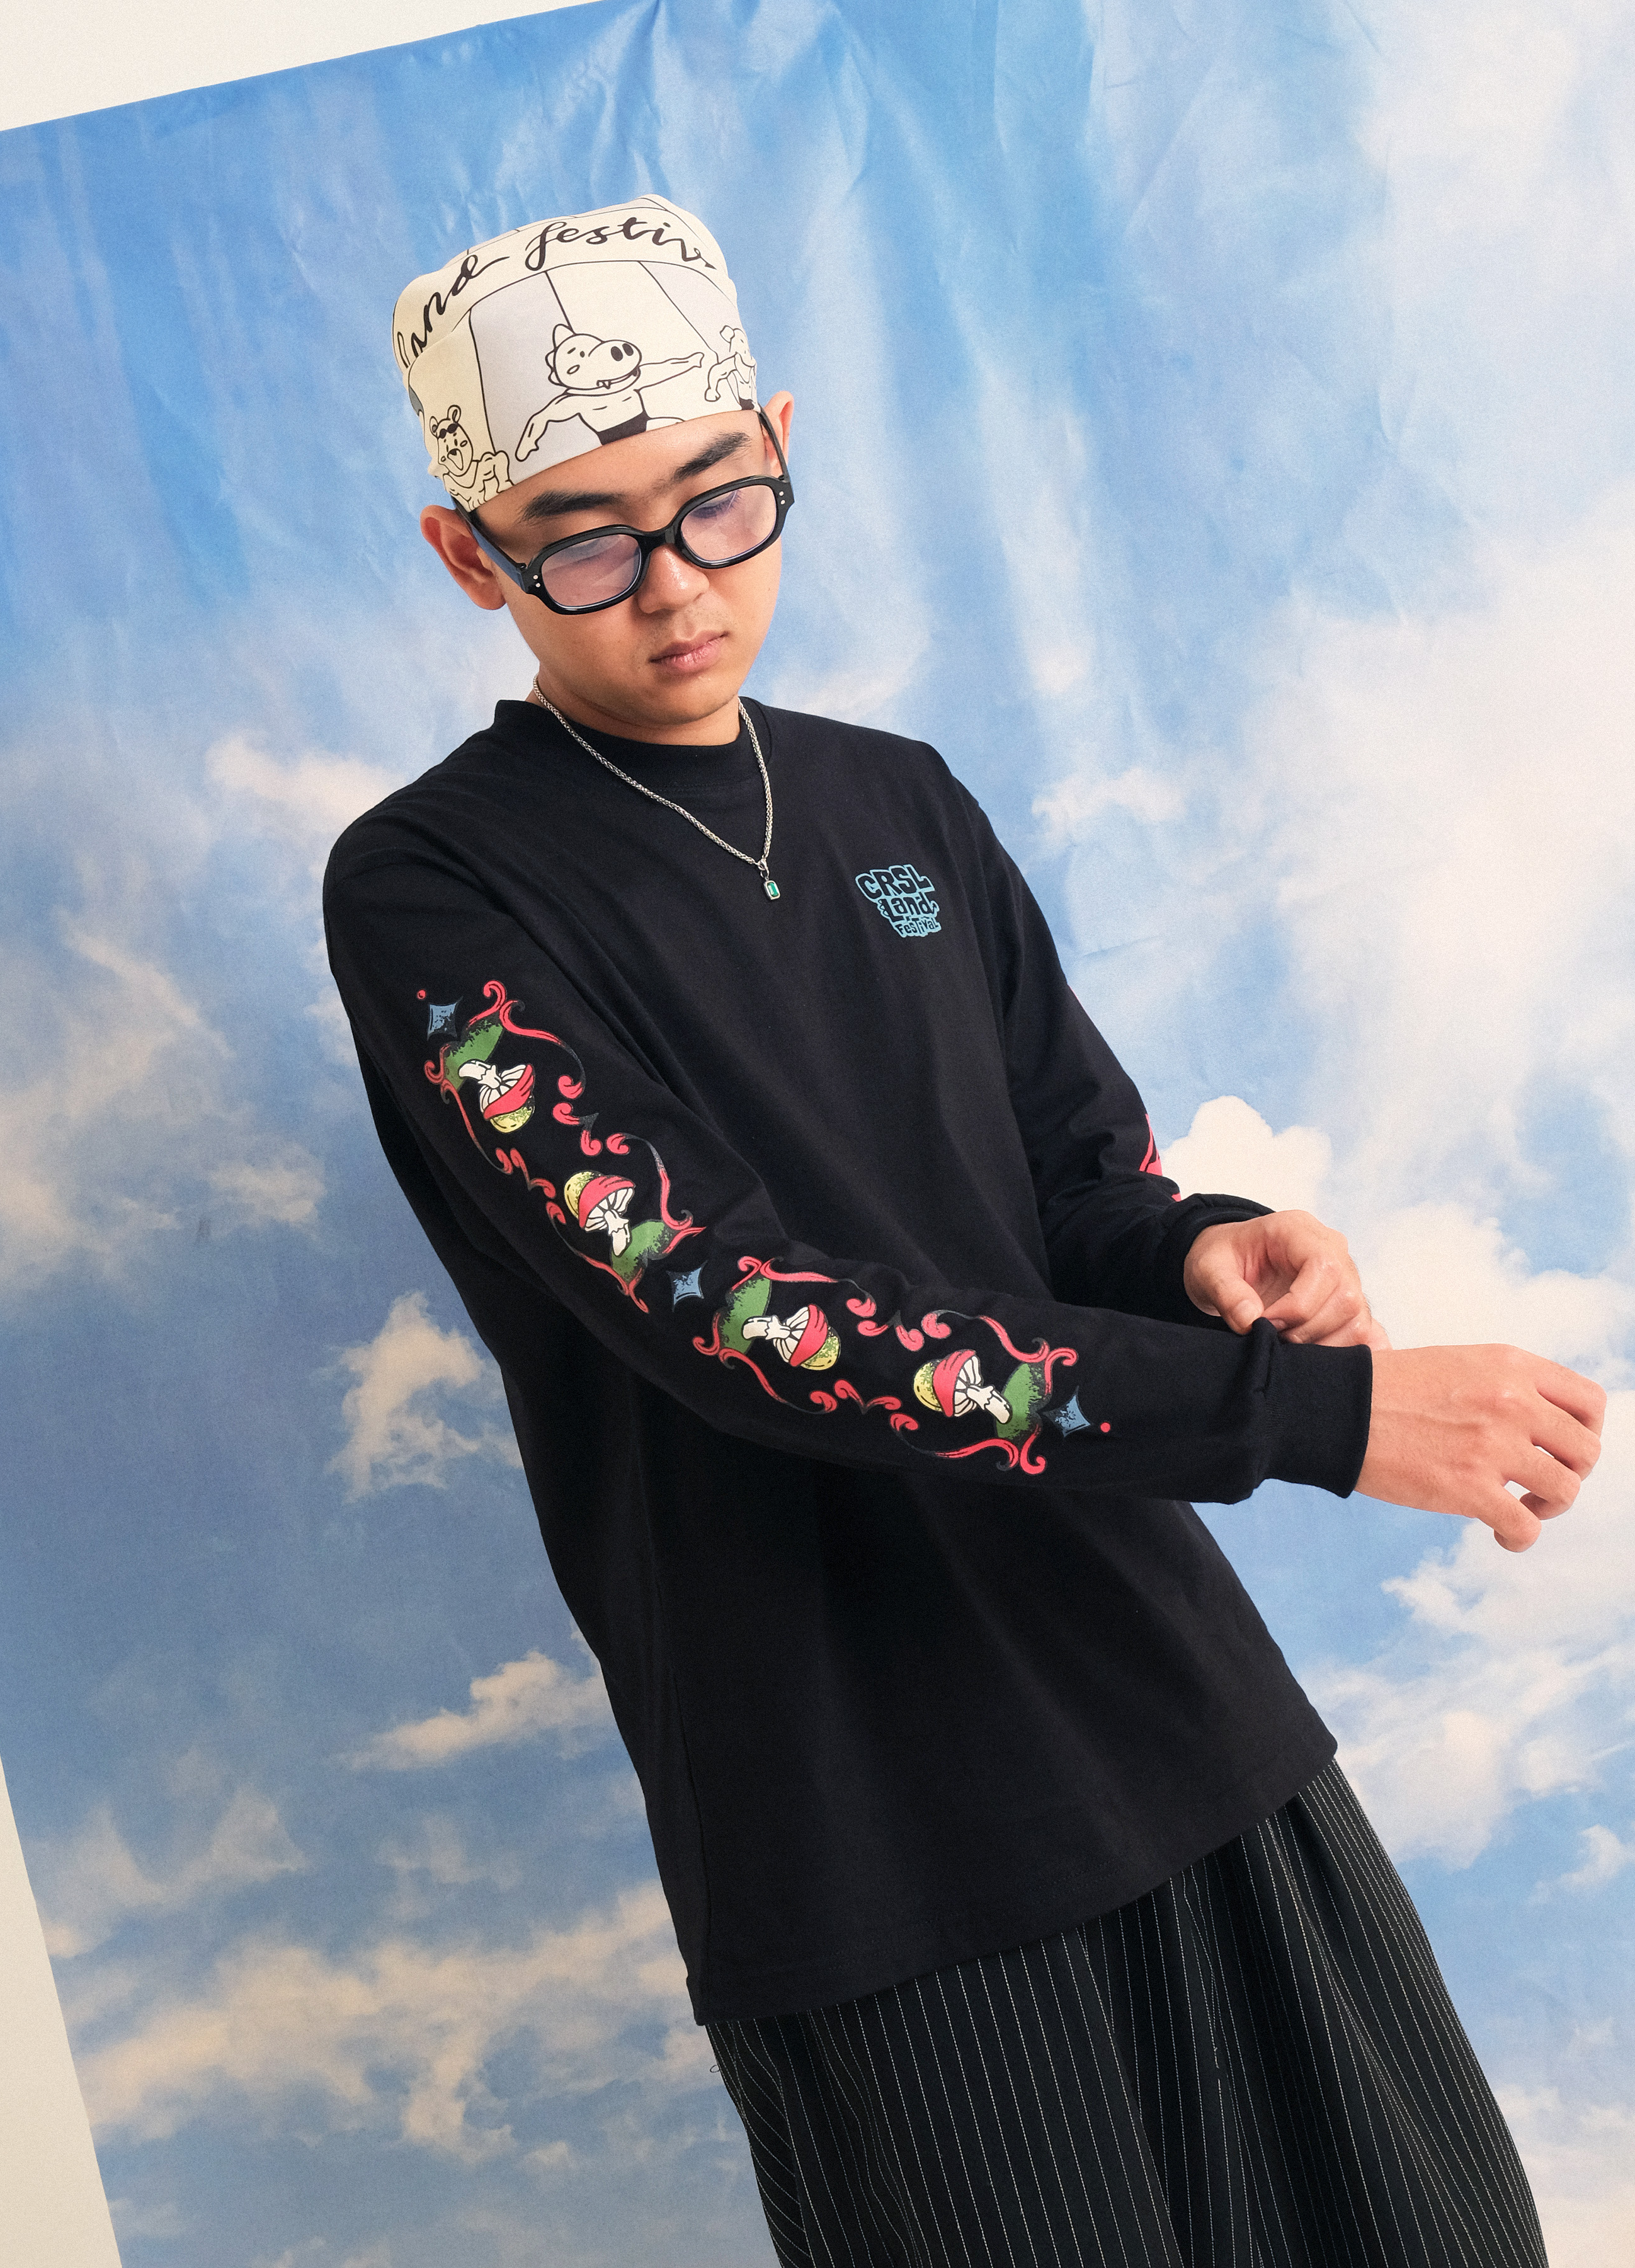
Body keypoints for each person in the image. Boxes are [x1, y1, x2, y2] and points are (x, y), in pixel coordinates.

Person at [324, 197, 1604, 2267]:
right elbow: (736, 1318)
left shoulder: (899, 800)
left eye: (718, 502)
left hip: (1178, 1710)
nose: (677, 585)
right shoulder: (433, 893)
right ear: (470, 555)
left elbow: (1071, 1175)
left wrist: (1201, 1248)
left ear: (779, 446)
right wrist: (1312, 1418)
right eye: (585, 542)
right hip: (860, 1827)